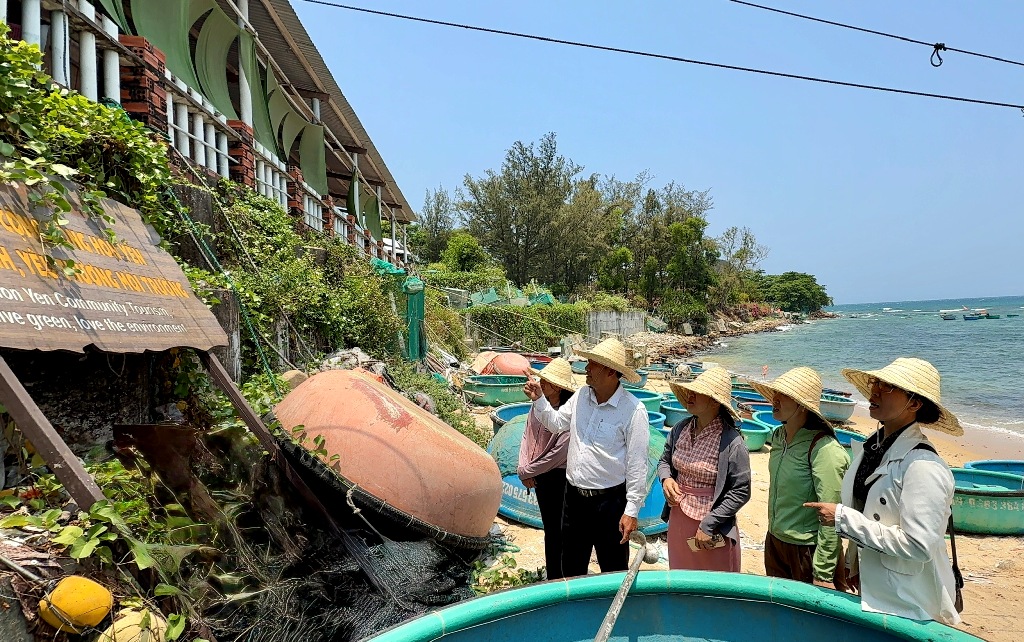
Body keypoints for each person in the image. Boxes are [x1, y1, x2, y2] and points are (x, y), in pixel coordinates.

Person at [805, 358, 962, 624]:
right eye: (875, 383)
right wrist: (855, 563)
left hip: (910, 603)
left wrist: (843, 519)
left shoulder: (923, 466)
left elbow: (919, 545)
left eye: (888, 387)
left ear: (914, 403)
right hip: (878, 590)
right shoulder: (874, 448)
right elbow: (867, 508)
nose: (874, 391)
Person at [524, 337, 649, 577]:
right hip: (574, 499)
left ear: (611, 372)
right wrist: (539, 398)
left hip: (610, 503)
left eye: (593, 364)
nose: (586, 369)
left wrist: (631, 510)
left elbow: (637, 465)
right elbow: (556, 423)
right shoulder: (581, 396)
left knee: (612, 569)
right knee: (570, 567)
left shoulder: (633, 411)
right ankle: (576, 614)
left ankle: (610, 614)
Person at [750, 367, 850, 589]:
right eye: (775, 393)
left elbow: (832, 513)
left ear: (803, 405)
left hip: (807, 550)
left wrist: (823, 571)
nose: (775, 400)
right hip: (775, 541)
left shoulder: (824, 449)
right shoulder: (777, 437)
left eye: (784, 395)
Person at [658, 367, 750, 571]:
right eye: (691, 390)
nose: (691, 395)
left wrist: (709, 524)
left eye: (698, 392)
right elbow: (664, 461)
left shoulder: (731, 442)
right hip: (678, 516)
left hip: (712, 524)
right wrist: (666, 479)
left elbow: (741, 490)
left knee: (714, 586)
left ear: (715, 402)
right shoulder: (680, 429)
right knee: (681, 578)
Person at [517, 358, 576, 580]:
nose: (542, 383)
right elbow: (528, 435)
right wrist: (524, 467)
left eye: (547, 381)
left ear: (559, 387)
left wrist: (528, 471)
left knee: (561, 531)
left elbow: (557, 454)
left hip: (558, 476)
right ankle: (554, 577)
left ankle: (563, 577)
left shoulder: (568, 413)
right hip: (539, 474)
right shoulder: (538, 405)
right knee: (550, 530)